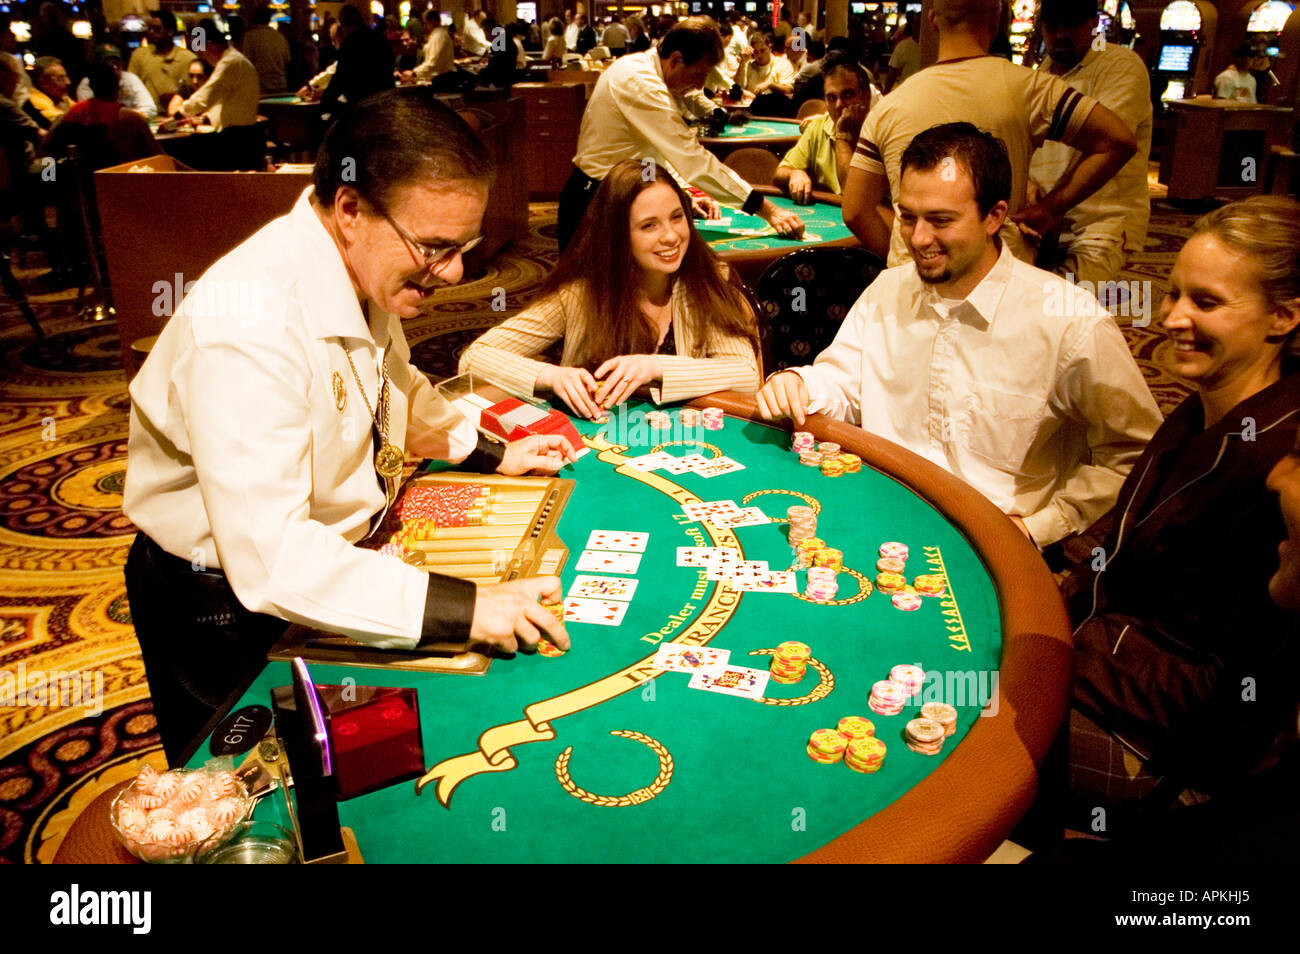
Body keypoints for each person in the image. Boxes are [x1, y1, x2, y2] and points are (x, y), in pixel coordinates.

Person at [124, 89, 573, 765]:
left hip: (333, 561)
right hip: (223, 608)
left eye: (464, 247)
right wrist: (471, 609)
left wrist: (489, 452)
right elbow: (274, 560)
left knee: (366, 765)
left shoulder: (358, 263)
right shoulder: (248, 327)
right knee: (260, 796)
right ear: (352, 208)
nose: (452, 273)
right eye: (435, 247)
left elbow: (392, 383)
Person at [757, 123, 1162, 549]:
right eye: (908, 216)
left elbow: (1135, 453)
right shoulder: (887, 290)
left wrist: (1040, 527)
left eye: (941, 220)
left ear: (995, 216)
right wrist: (802, 383)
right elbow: (845, 383)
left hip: (995, 543)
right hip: (878, 516)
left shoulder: (1071, 322)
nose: (918, 238)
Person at [1066, 196, 1300, 813]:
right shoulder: (1205, 403)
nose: (1171, 318)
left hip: (1172, 745)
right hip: (1112, 667)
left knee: (956, 724)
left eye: (1206, 302)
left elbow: (1237, 683)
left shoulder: (1282, 466)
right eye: (1172, 294)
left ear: (1283, 316)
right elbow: (1119, 539)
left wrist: (1053, 654)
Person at [841, 0, 1136, 269]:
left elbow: (855, 211)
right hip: (1000, 283)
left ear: (932, 20)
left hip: (915, 283)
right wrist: (1051, 208)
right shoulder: (1032, 87)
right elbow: (1117, 141)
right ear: (997, 20)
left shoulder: (889, 105)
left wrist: (908, 259)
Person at [461, 160, 760, 419]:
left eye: (677, 217)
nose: (671, 236)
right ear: (618, 236)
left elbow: (745, 375)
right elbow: (475, 358)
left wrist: (655, 366)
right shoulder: (581, 293)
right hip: (598, 441)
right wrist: (552, 376)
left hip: (691, 440)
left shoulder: (706, 281)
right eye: (649, 226)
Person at [563, 18, 804, 251]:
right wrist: (767, 210)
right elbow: (691, 158)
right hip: (596, 201)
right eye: (698, 74)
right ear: (676, 59)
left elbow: (654, 149)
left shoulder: (648, 70)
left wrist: (683, 191)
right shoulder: (640, 82)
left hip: (621, 195)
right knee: (591, 291)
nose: (700, 85)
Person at [1028, 0, 1152, 288]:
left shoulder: (1118, 64)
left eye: (1071, 25)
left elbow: (1109, 147)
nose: (1060, 34)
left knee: (1066, 312)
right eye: (1052, 26)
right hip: (1041, 223)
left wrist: (1050, 207)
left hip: (1096, 224)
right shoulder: (1041, 74)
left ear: (1093, 24)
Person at [774, 60, 873, 200]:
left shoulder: (879, 132)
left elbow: (853, 196)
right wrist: (794, 173)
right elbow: (780, 172)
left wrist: (842, 134)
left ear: (866, 97)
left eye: (848, 95)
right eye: (831, 98)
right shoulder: (818, 127)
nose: (839, 105)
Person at [57, 60, 162, 164]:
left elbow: (47, 143)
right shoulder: (129, 117)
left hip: (82, 175)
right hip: (122, 174)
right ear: (117, 85)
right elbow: (159, 156)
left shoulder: (72, 111)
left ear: (91, 86)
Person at [166, 19, 259, 135]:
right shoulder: (233, 59)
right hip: (240, 131)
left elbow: (205, 97)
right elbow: (225, 103)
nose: (203, 57)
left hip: (241, 134)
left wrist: (177, 117)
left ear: (211, 45)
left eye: (202, 52)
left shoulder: (231, 62)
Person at [317, 5, 394, 123]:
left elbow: (340, 78)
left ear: (344, 25)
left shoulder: (350, 42)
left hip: (362, 104)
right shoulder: (380, 38)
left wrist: (324, 104)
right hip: (386, 99)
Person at [128, 15, 198, 111]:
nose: (151, 32)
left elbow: (197, 92)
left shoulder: (188, 58)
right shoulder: (139, 55)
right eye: (150, 29)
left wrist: (177, 96)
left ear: (170, 32)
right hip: (147, 115)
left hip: (177, 115)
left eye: (156, 29)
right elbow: (130, 88)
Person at [75, 44, 157, 120]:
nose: (114, 68)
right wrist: (128, 115)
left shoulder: (130, 79)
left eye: (116, 63)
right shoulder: (86, 85)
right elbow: (91, 116)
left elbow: (150, 109)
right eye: (108, 64)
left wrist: (126, 115)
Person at [734, 30, 795, 108]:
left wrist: (769, 84)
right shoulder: (749, 65)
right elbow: (737, 86)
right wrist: (742, 63)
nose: (759, 55)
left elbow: (789, 89)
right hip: (751, 108)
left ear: (770, 48)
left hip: (775, 108)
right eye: (756, 51)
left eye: (762, 50)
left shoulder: (783, 64)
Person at [242, 6, 291, 95]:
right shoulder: (279, 36)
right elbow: (287, 60)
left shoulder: (251, 36)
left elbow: (246, 63)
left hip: (261, 86)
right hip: (281, 85)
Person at [409, 10, 455, 87]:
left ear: (433, 21)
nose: (424, 26)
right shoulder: (437, 34)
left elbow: (433, 62)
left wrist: (414, 73)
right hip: (438, 77)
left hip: (441, 79)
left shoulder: (439, 36)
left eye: (425, 23)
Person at [26, 56, 73, 126]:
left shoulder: (60, 96)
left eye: (66, 77)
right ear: (42, 82)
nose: (68, 82)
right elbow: (66, 123)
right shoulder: (35, 100)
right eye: (60, 79)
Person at [882, 15, 920, 92]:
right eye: (915, 24)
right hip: (905, 92)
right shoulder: (902, 46)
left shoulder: (935, 47)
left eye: (919, 24)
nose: (916, 27)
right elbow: (891, 74)